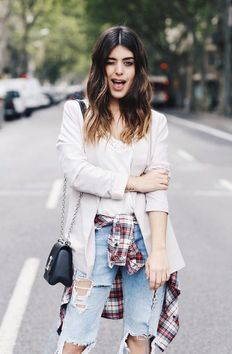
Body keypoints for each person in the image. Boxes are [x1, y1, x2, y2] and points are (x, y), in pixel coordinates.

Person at [55, 26, 185, 354]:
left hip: (142, 237)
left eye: (127, 63)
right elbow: (77, 173)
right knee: (76, 335)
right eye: (111, 62)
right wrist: (133, 183)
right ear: (100, 67)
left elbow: (157, 191)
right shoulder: (78, 113)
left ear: (138, 69)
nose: (118, 71)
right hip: (94, 234)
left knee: (140, 335)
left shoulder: (155, 123)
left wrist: (159, 251)